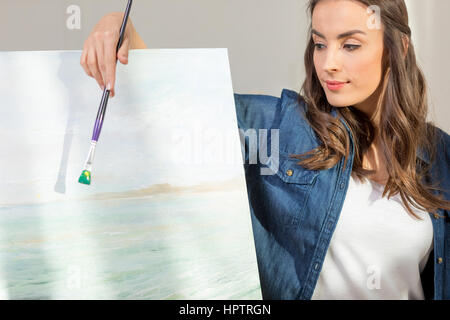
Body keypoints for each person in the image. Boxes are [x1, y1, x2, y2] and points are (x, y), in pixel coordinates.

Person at [80, 0, 450, 300]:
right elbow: (178, 106)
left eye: (349, 45)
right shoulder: (284, 128)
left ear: (398, 48)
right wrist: (120, 25)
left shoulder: (440, 155)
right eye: (320, 43)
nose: (328, 63)